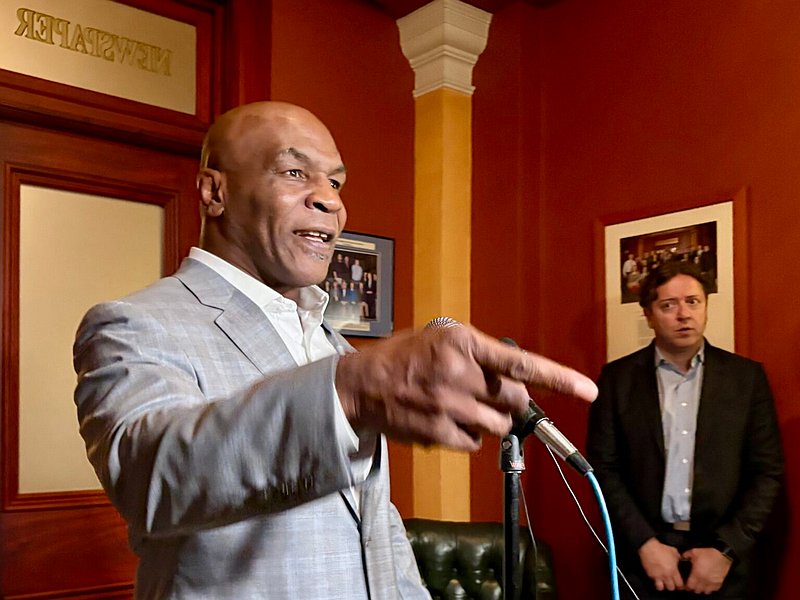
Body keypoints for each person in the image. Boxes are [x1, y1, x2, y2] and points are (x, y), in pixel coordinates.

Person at [73, 101, 598, 600]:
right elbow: (150, 477)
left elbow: (375, 526)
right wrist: (348, 391)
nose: (331, 199)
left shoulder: (332, 342)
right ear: (214, 192)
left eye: (337, 181)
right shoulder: (134, 322)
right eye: (294, 173)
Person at [587, 261, 783, 599]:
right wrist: (644, 544)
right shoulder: (617, 380)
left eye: (693, 301)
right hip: (642, 559)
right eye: (668, 305)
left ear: (706, 307)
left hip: (724, 561)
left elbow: (767, 473)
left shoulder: (746, 379)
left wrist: (727, 550)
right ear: (648, 315)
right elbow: (604, 470)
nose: (683, 314)